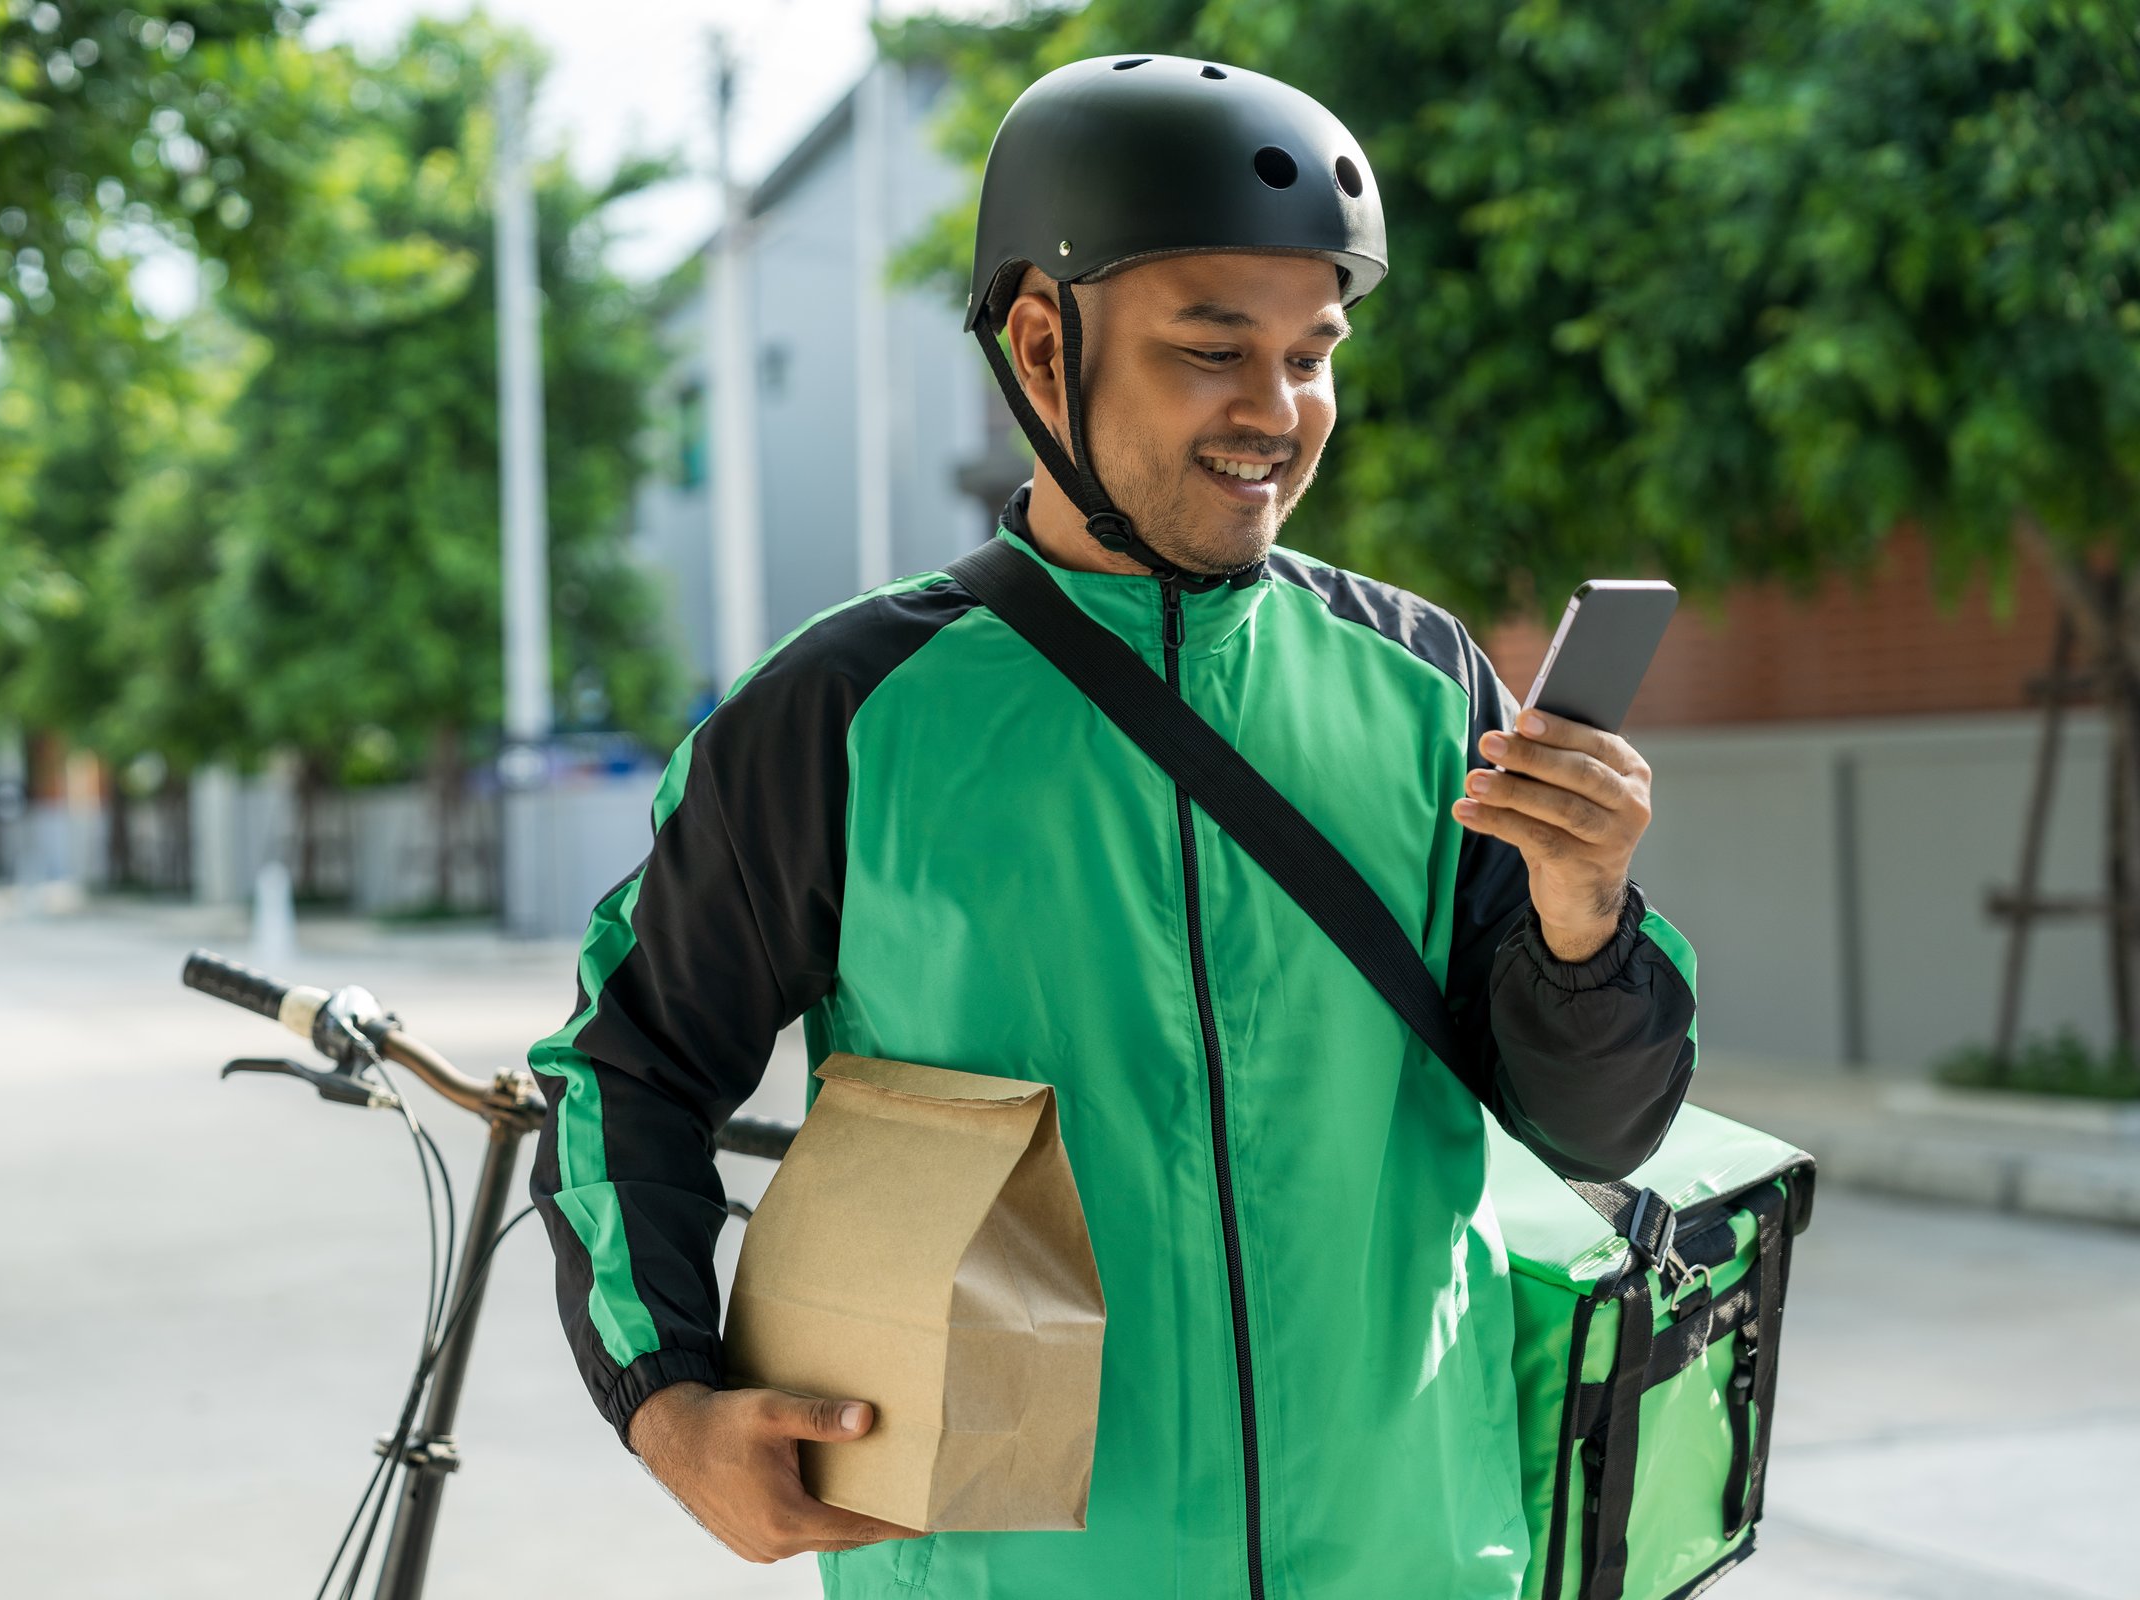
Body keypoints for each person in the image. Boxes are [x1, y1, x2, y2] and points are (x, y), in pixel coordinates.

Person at [529, 52, 1697, 1599]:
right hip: (1009, 1569)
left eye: (1313, 353)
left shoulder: (1423, 688)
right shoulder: (843, 715)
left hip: (1413, 1550)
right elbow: (628, 1065)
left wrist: (1582, 919)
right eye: (1214, 350)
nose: (1277, 414)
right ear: (1038, 341)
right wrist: (668, 1401)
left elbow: (1594, 1128)